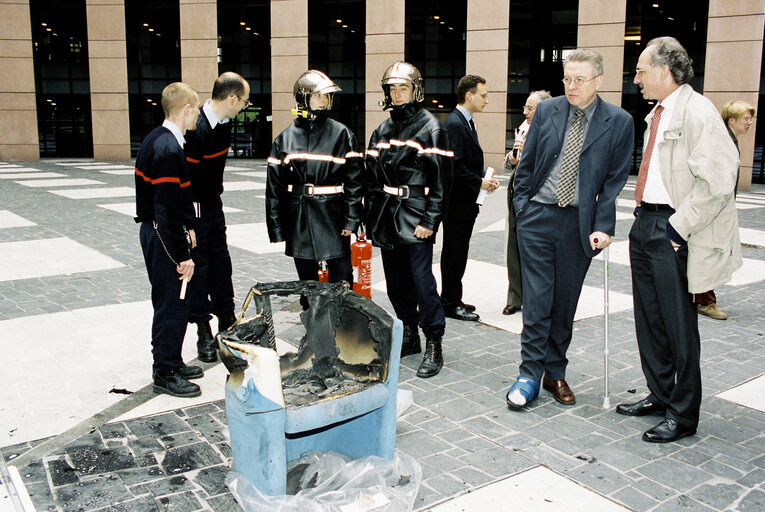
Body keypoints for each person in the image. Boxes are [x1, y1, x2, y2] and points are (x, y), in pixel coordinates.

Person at [617, 37, 742, 443]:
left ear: (664, 71)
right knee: (650, 321)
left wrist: (676, 228)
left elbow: (721, 179)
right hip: (647, 223)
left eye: (640, 70)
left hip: (673, 229)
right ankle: (660, 394)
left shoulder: (697, 111)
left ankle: (683, 414)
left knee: (678, 326)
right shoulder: (661, 112)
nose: (635, 78)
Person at [506, 49, 634, 409]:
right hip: (538, 218)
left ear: (598, 81)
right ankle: (529, 373)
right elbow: (527, 164)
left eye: (580, 79)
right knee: (537, 299)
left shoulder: (619, 121)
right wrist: (523, 209)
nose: (572, 86)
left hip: (578, 225)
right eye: (567, 78)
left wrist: (603, 225)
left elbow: (613, 181)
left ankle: (555, 371)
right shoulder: (548, 110)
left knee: (564, 301)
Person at [365, 61, 452, 378]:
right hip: (388, 216)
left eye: (403, 87)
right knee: (396, 284)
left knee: (422, 283)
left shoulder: (432, 128)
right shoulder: (382, 129)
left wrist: (430, 220)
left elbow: (443, 182)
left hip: (417, 216)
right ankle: (410, 335)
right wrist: (369, 217)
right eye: (392, 88)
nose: (397, 94)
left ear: (416, 90)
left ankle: (434, 341)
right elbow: (371, 178)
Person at [134, 82, 203, 398]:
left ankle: (172, 360)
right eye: (197, 110)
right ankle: (164, 371)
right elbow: (165, 208)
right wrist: (182, 255)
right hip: (163, 235)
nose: (198, 116)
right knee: (171, 304)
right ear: (186, 109)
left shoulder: (158, 140)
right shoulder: (167, 147)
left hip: (159, 232)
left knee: (175, 301)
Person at [266, 70, 363, 288]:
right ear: (303, 98)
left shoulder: (343, 135)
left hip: (334, 216)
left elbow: (355, 183)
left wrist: (351, 219)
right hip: (299, 216)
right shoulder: (284, 139)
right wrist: (276, 227)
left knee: (342, 278)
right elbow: (274, 188)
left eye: (327, 96)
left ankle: (341, 317)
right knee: (307, 282)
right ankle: (311, 316)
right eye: (318, 95)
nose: (323, 101)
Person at [184, 72, 250, 363]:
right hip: (194, 208)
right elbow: (183, 181)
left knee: (221, 263)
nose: (243, 108)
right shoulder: (195, 128)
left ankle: (227, 320)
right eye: (244, 102)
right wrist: (187, 222)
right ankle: (202, 330)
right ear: (232, 98)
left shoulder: (224, 124)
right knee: (200, 268)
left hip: (213, 205)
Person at [439, 75, 499, 322]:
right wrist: (479, 182)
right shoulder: (454, 124)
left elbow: (466, 162)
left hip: (464, 202)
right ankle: (449, 303)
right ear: (468, 95)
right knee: (454, 252)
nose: (486, 100)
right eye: (483, 95)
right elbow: (453, 164)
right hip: (457, 204)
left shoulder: (466, 122)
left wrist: (484, 177)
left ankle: (454, 298)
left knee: (458, 252)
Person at [694, 100, 754, 321]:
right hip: (713, 208)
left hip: (717, 207)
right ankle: (705, 300)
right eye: (746, 118)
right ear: (732, 120)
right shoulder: (723, 141)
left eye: (750, 118)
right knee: (708, 253)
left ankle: (702, 297)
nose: (749, 123)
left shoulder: (727, 139)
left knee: (708, 253)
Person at [503, 90, 551, 316]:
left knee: (536, 250)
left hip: (537, 196)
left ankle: (537, 298)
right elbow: (511, 160)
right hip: (516, 193)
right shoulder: (524, 126)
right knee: (514, 246)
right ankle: (515, 297)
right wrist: (512, 158)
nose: (525, 112)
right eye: (525, 107)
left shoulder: (551, 129)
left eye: (529, 108)